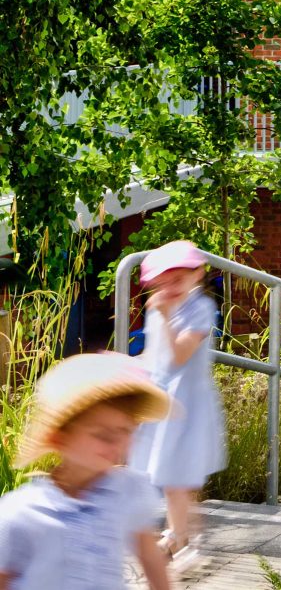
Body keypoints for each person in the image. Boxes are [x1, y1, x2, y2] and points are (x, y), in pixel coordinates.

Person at [0, 353, 173, 590]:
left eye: (126, 432)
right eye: (103, 436)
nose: (118, 445)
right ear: (59, 439)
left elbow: (149, 554)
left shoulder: (127, 492)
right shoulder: (22, 513)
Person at [130, 239, 224, 571]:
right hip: (163, 398)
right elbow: (156, 354)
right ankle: (185, 539)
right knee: (176, 478)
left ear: (197, 274)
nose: (170, 286)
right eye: (164, 280)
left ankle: (177, 540)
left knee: (175, 477)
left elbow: (179, 355)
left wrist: (166, 316)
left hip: (187, 403)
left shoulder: (199, 308)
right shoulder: (161, 309)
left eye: (178, 278)